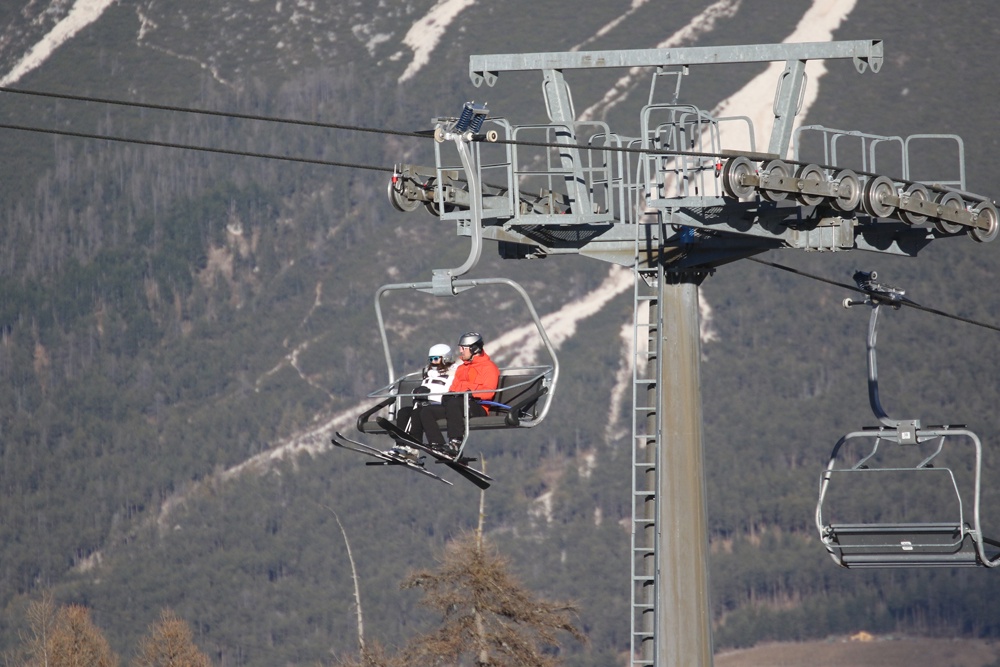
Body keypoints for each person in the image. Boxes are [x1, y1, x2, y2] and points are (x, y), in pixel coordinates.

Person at [410, 331, 500, 457]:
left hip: (477, 406)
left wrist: (467, 390)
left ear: (474, 349)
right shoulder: (462, 368)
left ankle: (455, 443)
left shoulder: (488, 368)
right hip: (457, 405)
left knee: (454, 402)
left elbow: (488, 393)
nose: (460, 351)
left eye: (463, 348)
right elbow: (453, 388)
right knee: (427, 411)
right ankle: (437, 444)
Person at [389, 343, 456, 461]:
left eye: (436, 359)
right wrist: (417, 392)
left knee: (418, 412)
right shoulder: (429, 373)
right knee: (403, 412)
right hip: (424, 403)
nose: (433, 362)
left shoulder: (453, 373)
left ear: (446, 358)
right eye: (431, 359)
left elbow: (450, 390)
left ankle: (414, 449)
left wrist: (429, 395)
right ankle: (401, 445)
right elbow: (425, 387)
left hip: (440, 405)